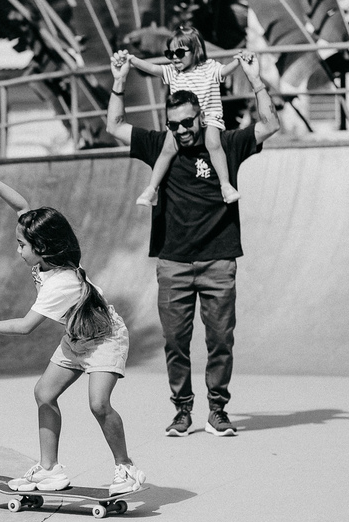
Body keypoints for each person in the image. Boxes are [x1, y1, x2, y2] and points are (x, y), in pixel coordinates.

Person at [104, 49, 279, 437]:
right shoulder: (159, 146)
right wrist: (119, 81)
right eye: (174, 126)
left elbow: (270, 124)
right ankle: (182, 410)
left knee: (220, 340)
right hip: (174, 263)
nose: (182, 131)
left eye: (187, 123)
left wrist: (255, 79)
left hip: (219, 261)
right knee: (175, 342)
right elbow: (115, 126)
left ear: (201, 116)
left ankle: (217, 410)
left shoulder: (226, 144)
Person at [0, 167, 146, 494]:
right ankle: (49, 470)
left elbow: (26, 327)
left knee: (99, 404)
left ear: (42, 248)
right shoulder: (45, 257)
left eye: (21, 246)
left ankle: (126, 469)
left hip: (105, 338)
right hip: (76, 336)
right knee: (44, 393)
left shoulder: (60, 282)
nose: (18, 251)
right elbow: (22, 205)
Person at [125, 27, 241, 205]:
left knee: (213, 144)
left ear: (195, 51)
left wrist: (239, 61)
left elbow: (225, 71)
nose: (174, 57)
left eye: (179, 52)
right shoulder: (173, 72)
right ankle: (151, 189)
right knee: (167, 150)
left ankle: (225, 185)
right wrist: (133, 60)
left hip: (207, 117)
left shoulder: (210, 68)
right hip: (181, 121)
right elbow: (153, 68)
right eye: (169, 53)